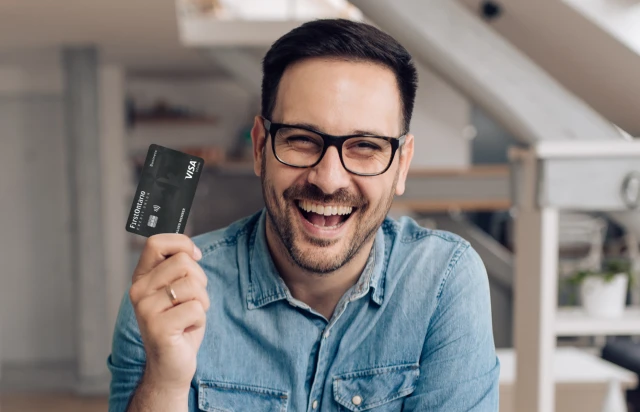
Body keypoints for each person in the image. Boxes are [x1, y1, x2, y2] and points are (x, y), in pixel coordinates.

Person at [108, 18, 500, 412]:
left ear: (401, 166)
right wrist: (165, 381)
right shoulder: (170, 294)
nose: (329, 180)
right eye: (301, 140)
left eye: (365, 145)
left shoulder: (443, 281)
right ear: (260, 148)